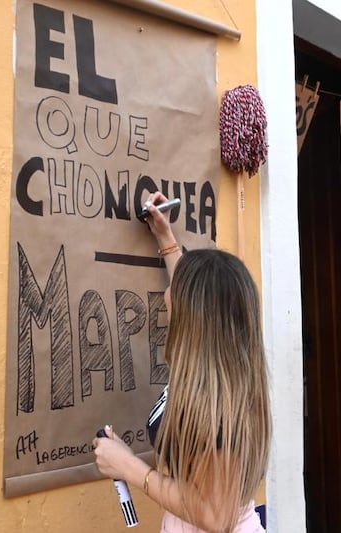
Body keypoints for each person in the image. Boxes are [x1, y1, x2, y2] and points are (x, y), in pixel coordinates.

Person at [93, 192, 271, 533]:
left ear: (194, 314)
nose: (166, 294)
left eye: (178, 290)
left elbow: (215, 517)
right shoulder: (215, 368)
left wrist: (129, 467)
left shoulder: (219, 404)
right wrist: (166, 238)